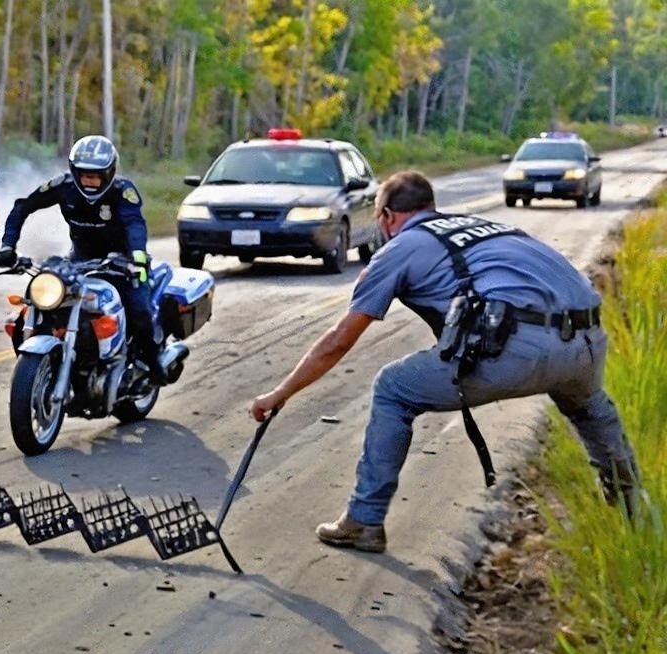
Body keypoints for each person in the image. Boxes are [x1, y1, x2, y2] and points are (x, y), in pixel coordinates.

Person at [248, 170, 640, 553]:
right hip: (587, 341)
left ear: (386, 217)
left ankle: (364, 520)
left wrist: (280, 393)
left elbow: (337, 342)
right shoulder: (488, 228)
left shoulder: (402, 246)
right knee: (591, 409)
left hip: (517, 350)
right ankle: (634, 514)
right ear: (431, 206)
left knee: (393, 388)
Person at [0, 135, 163, 382]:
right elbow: (22, 207)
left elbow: (134, 224)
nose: (89, 181)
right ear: (74, 171)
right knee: (41, 303)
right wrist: (7, 246)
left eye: (95, 176)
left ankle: (152, 364)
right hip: (80, 260)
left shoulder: (122, 191)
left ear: (109, 173)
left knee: (139, 311)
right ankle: (45, 366)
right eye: (84, 175)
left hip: (125, 262)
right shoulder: (62, 186)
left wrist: (137, 260)